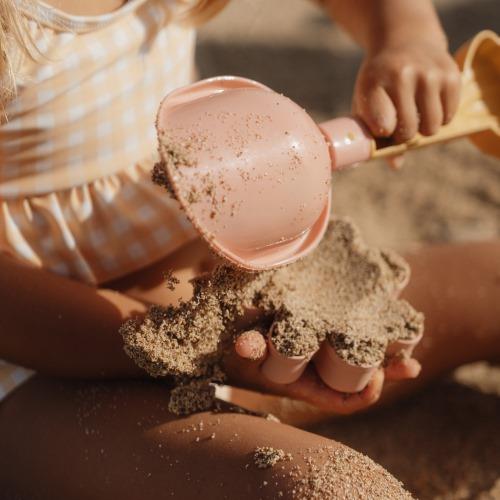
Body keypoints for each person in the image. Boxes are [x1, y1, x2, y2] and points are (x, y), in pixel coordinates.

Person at [0, 0, 475, 497]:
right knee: (334, 488)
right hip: (39, 367)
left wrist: (404, 33)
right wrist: (205, 349)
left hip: (218, 309)